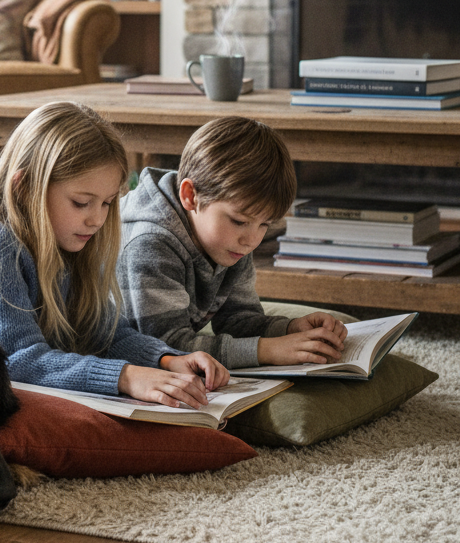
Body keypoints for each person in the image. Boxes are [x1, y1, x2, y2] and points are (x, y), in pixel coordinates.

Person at [0, 101, 229, 410]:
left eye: (106, 203)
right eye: (81, 202)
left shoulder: (71, 240)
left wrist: (167, 360)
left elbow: (106, 333)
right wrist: (126, 377)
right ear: (24, 188)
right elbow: (13, 358)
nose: (97, 219)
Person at [118, 115, 348, 370]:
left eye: (265, 224)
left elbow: (237, 320)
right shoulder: (149, 244)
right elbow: (165, 349)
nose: (252, 240)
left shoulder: (231, 241)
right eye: (239, 221)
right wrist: (267, 351)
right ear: (190, 196)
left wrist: (290, 329)